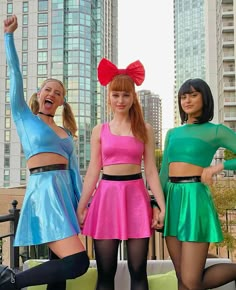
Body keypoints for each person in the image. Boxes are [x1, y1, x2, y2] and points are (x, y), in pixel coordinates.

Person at [0, 15, 89, 290]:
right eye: (48, 89)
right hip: (43, 194)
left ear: (62, 101)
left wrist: (81, 206)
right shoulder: (25, 119)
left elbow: (75, 173)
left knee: (59, 271)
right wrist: (8, 36)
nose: (52, 93)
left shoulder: (66, 133)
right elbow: (15, 74)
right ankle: (10, 282)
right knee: (78, 262)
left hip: (64, 198)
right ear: (40, 94)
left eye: (58, 92)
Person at [77, 58, 166, 290]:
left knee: (139, 272)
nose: (120, 100)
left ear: (132, 97)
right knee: (106, 274)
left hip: (136, 198)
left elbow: (152, 172)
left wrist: (162, 207)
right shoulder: (100, 130)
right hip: (106, 198)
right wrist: (81, 207)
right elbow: (93, 172)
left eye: (126, 95)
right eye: (116, 94)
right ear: (109, 97)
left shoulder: (144, 129)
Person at [159, 78, 236, 290]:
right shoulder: (172, 133)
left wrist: (218, 167)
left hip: (195, 199)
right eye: (183, 96)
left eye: (193, 95)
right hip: (172, 200)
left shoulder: (216, 131)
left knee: (192, 281)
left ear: (205, 97)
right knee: (183, 279)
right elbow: (164, 172)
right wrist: (158, 206)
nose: (187, 100)